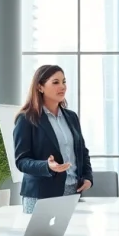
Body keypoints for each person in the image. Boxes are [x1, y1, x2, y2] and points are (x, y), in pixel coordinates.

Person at [13, 65, 93, 213]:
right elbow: (21, 161)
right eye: (55, 82)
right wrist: (47, 166)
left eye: (64, 82)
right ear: (40, 87)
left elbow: (82, 151)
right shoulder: (26, 118)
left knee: (73, 235)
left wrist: (88, 177)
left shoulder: (71, 117)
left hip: (72, 192)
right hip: (41, 195)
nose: (62, 86)